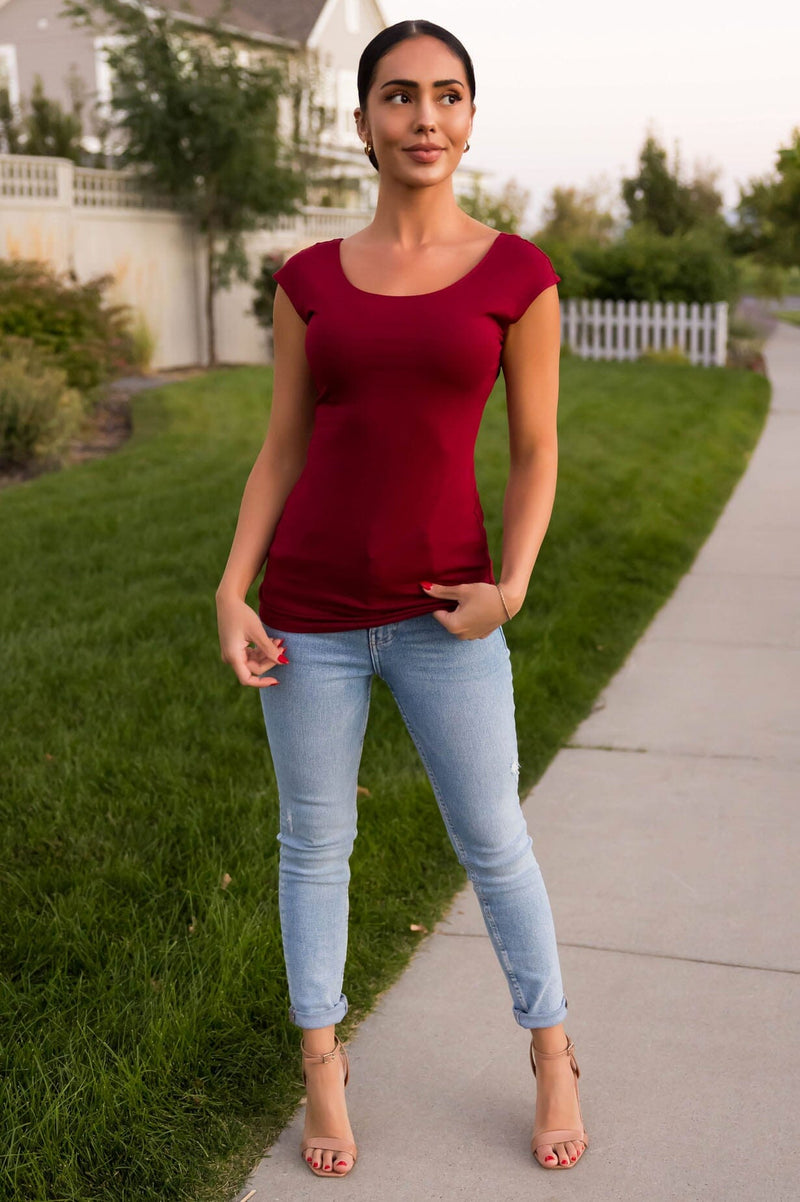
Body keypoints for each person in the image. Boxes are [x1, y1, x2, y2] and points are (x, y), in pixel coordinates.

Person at [215, 18, 588, 1179]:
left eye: (446, 94)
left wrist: (509, 588)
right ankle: (322, 1068)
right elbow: (281, 445)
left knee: (494, 843)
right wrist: (232, 587)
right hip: (308, 614)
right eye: (398, 95)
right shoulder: (307, 279)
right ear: (362, 122)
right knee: (312, 845)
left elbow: (536, 450)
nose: (424, 116)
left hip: (444, 617)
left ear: (468, 118)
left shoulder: (517, 275)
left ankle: (552, 1051)